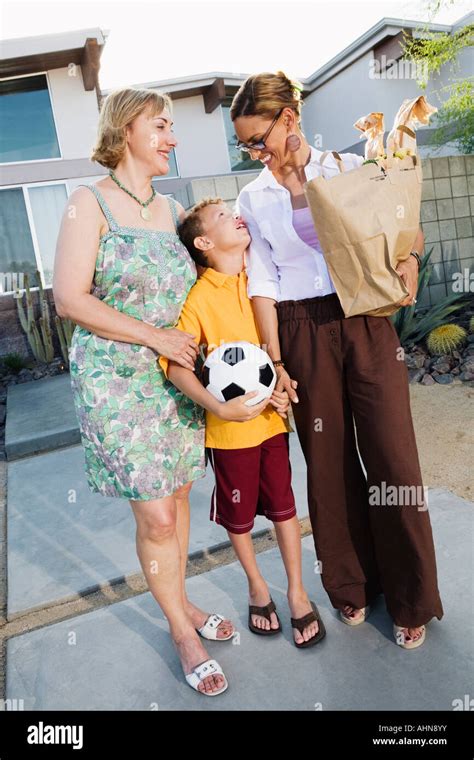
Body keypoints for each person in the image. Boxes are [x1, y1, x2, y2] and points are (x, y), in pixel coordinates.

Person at [230, 70, 443, 649]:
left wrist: (411, 263)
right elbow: (264, 280)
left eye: (258, 138)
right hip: (300, 327)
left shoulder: (347, 168)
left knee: (393, 461)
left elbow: (405, 226)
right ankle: (351, 587)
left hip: (366, 322)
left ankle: (411, 597)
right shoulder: (253, 197)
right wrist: (275, 360)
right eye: (245, 144)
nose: (253, 151)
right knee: (327, 467)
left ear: (288, 120)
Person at [53, 88, 235, 698]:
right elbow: (70, 300)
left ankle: (180, 602)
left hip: (172, 377)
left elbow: (205, 282)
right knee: (156, 514)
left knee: (179, 498)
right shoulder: (89, 203)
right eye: (161, 125)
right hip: (115, 381)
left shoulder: (171, 209)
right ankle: (182, 630)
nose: (172, 138)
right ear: (126, 127)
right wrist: (155, 336)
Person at [159, 197, 326, 662]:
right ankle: (256, 586)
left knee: (286, 508)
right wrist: (219, 407)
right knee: (240, 516)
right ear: (204, 242)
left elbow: (271, 349)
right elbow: (175, 366)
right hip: (230, 433)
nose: (235, 215)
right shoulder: (197, 299)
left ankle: (295, 592)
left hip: (272, 422)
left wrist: (276, 384)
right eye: (220, 217)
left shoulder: (259, 281)